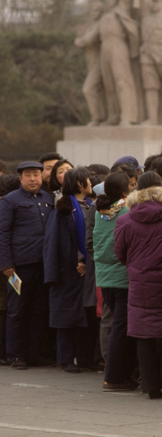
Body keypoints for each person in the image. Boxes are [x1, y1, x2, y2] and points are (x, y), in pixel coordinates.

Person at [114, 176, 162, 399]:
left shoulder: (125, 220)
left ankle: (151, 387)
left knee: (144, 336)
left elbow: (119, 254)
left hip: (140, 284)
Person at [0, 161, 54, 368]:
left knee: (39, 309)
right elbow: (2, 233)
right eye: (28, 175)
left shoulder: (47, 198)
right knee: (17, 310)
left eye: (36, 174)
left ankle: (34, 353)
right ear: (21, 178)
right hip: (19, 267)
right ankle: (15, 355)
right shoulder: (10, 201)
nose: (33, 179)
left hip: (43, 264)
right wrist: (6, 263)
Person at [43, 167, 94, 373]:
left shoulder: (91, 205)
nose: (91, 183)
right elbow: (58, 241)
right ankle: (64, 358)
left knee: (84, 317)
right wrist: (77, 260)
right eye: (88, 180)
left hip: (86, 271)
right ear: (80, 184)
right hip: (68, 270)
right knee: (66, 317)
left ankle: (84, 358)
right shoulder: (63, 209)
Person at [93, 171, 137, 392]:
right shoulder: (127, 210)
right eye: (131, 185)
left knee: (116, 326)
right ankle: (114, 377)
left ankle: (117, 375)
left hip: (104, 277)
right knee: (121, 328)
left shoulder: (99, 211)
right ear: (124, 191)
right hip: (122, 277)